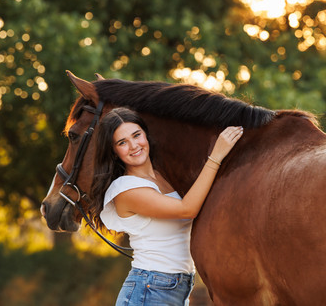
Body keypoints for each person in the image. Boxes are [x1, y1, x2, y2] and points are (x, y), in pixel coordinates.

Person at [89, 107, 243, 306]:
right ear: (114, 151)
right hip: (149, 289)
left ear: (146, 134)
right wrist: (217, 155)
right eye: (122, 142)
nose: (134, 145)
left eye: (137, 135)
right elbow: (187, 209)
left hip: (177, 286)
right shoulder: (126, 189)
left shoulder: (165, 176)